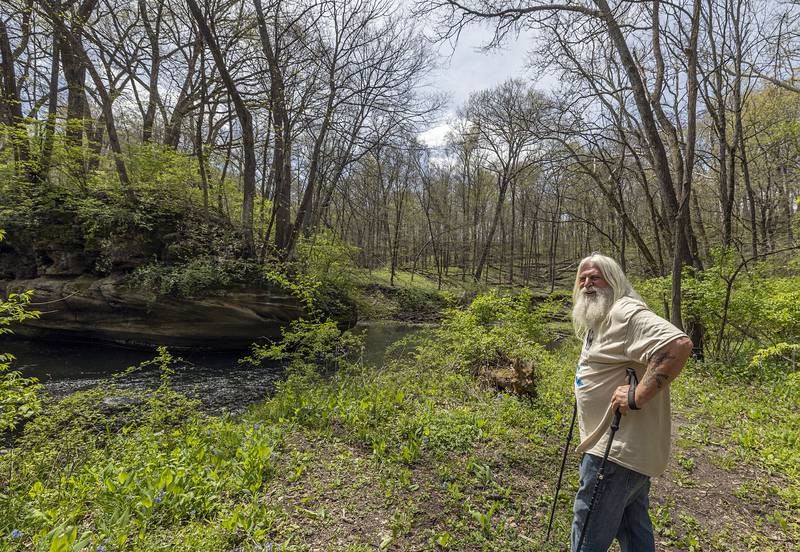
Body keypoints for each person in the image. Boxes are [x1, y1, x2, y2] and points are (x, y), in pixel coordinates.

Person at [570, 253, 693, 551]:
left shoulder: (625, 313)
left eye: (595, 277)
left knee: (588, 533)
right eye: (582, 278)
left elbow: (678, 344)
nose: (587, 284)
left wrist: (637, 396)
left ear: (613, 281)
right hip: (625, 451)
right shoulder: (600, 318)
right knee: (633, 527)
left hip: (614, 454)